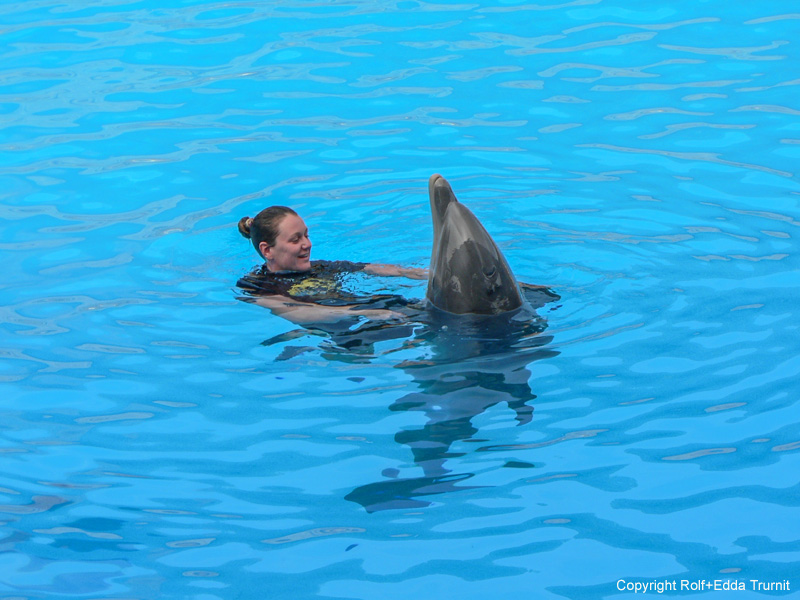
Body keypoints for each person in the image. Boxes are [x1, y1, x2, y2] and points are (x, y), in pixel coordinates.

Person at [237, 206, 427, 323]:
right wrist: (366, 312)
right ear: (267, 250)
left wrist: (417, 273)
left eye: (306, 235)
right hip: (341, 330)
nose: (307, 244)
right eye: (296, 240)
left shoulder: (319, 267)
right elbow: (299, 313)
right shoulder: (256, 287)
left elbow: (368, 268)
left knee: (406, 304)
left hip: (365, 311)